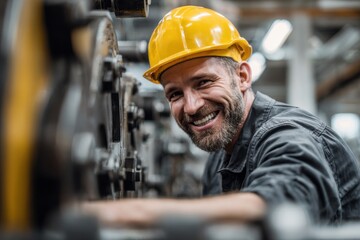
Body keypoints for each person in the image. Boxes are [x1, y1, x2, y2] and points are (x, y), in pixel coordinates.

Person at [82, 5, 360, 226]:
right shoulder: (217, 160)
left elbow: (277, 210)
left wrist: (120, 213)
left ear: (242, 76)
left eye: (203, 82)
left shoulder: (289, 135)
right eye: (175, 94)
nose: (190, 106)